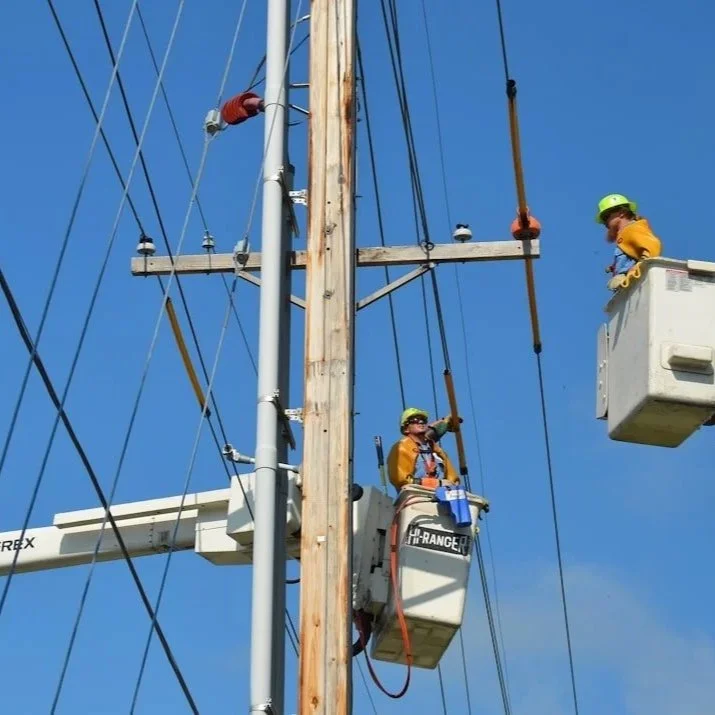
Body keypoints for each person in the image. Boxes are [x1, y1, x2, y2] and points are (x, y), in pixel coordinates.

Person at [596, 193, 662, 291]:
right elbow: (630, 256)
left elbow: (653, 247)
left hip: (634, 282)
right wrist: (616, 266)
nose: (605, 222)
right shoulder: (625, 233)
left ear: (621, 213)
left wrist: (638, 267)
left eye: (606, 216)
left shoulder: (633, 229)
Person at [386, 407, 459, 492]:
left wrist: (445, 423)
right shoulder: (401, 447)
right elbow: (401, 480)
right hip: (417, 494)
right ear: (406, 429)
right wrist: (437, 483)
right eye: (415, 420)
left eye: (423, 420)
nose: (421, 422)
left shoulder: (436, 450)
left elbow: (453, 479)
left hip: (444, 495)